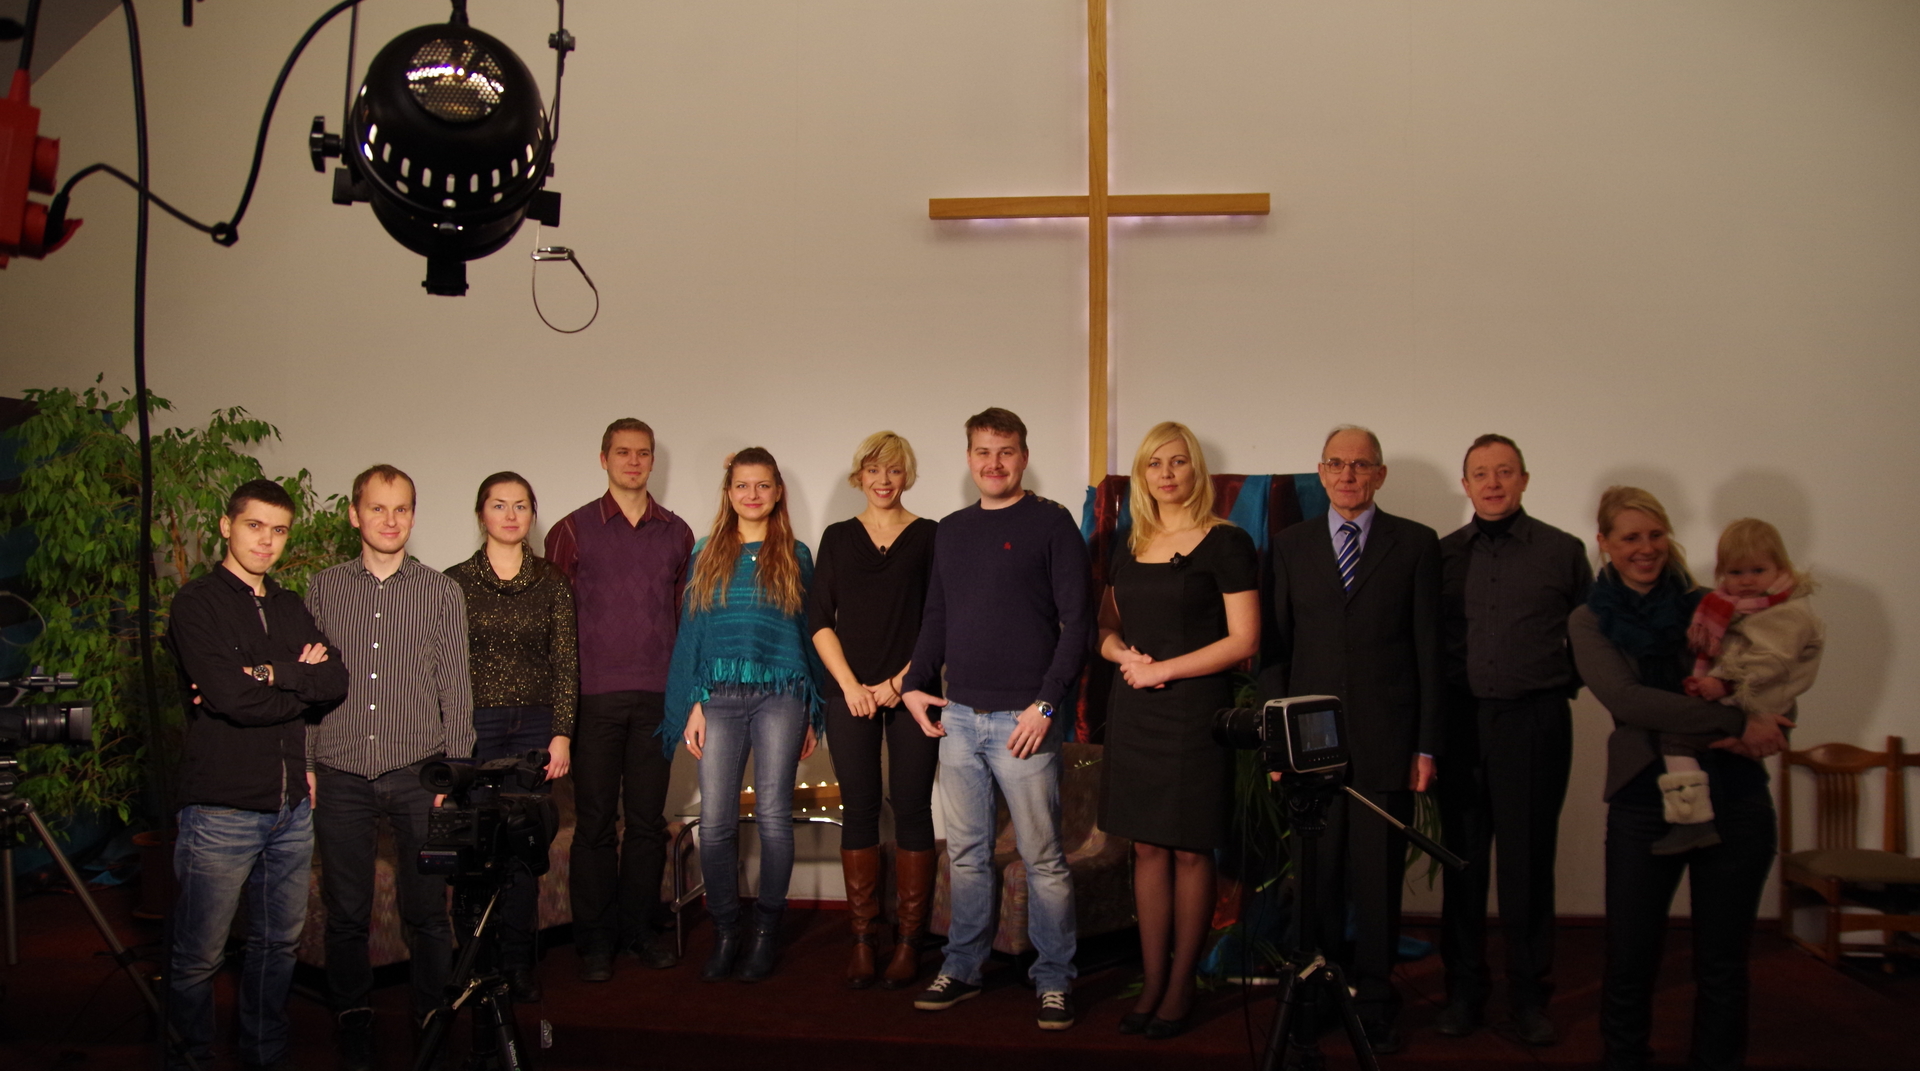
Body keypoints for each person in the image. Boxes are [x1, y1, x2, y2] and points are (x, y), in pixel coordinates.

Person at [1570, 486, 1788, 1071]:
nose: (1645, 548)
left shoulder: (1714, 604)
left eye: (1655, 535)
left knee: (1723, 962)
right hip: (1644, 800)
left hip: (1735, 795)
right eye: (1630, 538)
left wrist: (1766, 715)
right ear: (1605, 544)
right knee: (1630, 956)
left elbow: (1773, 679)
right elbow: (1630, 701)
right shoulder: (1589, 620)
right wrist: (1738, 720)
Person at [902, 407, 1091, 1032]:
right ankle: (962, 967)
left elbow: (1078, 622)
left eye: (1005, 451)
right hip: (958, 717)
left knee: (1043, 859)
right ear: (968, 458)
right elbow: (936, 616)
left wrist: (1047, 704)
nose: (994, 463)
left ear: (1024, 456)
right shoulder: (951, 531)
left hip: (1024, 719)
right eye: (983, 451)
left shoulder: (1052, 524)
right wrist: (914, 685)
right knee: (966, 855)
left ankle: (1054, 978)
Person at [1257, 424, 1441, 1054]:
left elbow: (1429, 653)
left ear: (1379, 475)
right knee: (1317, 882)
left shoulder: (1415, 544)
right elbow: (1274, 654)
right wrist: (1278, 747)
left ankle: (1378, 1002)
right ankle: (1316, 997)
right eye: (1336, 464)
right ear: (1321, 471)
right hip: (1310, 749)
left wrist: (1425, 746)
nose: (1347, 475)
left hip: (1388, 745)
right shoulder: (1290, 546)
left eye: (1361, 466)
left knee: (1377, 884)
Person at [164, 479, 348, 1071]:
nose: (267, 541)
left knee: (277, 946)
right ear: (226, 526)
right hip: (220, 809)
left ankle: (264, 1055)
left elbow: (335, 682)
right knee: (199, 955)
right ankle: (189, 1060)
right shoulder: (196, 604)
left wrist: (268, 673)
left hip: (291, 809)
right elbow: (230, 699)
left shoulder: (290, 605)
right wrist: (296, 679)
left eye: (279, 530)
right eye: (254, 526)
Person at [306, 464, 475, 1071]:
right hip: (341, 770)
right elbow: (307, 683)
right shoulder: (322, 589)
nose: (390, 520)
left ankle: (431, 1020)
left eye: (401, 508)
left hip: (416, 773)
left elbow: (456, 686)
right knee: (346, 913)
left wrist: (454, 772)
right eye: (377, 508)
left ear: (413, 516)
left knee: (428, 912)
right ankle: (353, 1018)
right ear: (355, 514)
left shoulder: (441, 592)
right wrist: (307, 761)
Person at [1095, 422, 1258, 1040]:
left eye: (1178, 462)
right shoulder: (1130, 541)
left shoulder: (1227, 542)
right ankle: (1153, 980)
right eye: (1154, 463)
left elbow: (1245, 639)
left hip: (1194, 711)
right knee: (1145, 848)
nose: (1166, 473)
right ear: (1143, 475)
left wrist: (1163, 669)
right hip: (1136, 710)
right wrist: (1123, 656)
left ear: (1196, 470)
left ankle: (1182, 983)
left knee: (1191, 850)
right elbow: (1105, 629)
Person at [1434, 434, 1592, 1046]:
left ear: (1524, 479)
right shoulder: (1441, 556)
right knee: (1463, 865)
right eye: (1481, 473)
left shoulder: (1562, 552)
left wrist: (1553, 686)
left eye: (1504, 472)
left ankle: (1529, 997)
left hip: (1534, 724)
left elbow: (1592, 639)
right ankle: (1463, 994)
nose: (1493, 483)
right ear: (1466, 485)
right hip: (1461, 725)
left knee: (1528, 866)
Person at [664, 447, 825, 983]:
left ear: (777, 492)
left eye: (762, 485)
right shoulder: (706, 551)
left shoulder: (796, 554)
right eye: (742, 485)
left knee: (775, 816)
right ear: (728, 492)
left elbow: (808, 631)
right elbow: (693, 631)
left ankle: (765, 932)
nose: (752, 495)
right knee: (715, 823)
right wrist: (693, 701)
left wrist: (813, 711)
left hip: (782, 696)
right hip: (719, 698)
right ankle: (727, 929)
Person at [545, 418, 695, 980]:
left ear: (652, 460)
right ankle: (594, 942)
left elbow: (685, 619)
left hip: (658, 698)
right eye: (623, 452)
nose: (634, 462)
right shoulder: (571, 530)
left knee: (648, 822)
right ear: (603, 458)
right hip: (593, 699)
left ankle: (639, 932)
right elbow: (557, 624)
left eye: (643, 453)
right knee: (595, 825)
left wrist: (688, 697)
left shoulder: (677, 533)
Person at [807, 431, 940, 989]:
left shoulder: (931, 535)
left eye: (894, 470)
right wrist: (851, 685)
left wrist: (898, 682)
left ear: (907, 475)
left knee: (911, 807)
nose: (883, 480)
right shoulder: (838, 537)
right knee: (859, 808)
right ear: (858, 476)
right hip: (849, 693)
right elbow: (819, 618)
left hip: (912, 691)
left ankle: (909, 942)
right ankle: (863, 938)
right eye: (873, 470)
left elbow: (940, 620)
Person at [443, 471, 580, 1003]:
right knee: (476, 846)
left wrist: (562, 734)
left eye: (520, 505)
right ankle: (478, 962)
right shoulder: (453, 582)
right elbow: (443, 667)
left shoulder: (551, 581)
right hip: (473, 727)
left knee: (522, 846)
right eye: (499, 505)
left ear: (532, 514)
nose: (510, 515)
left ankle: (520, 963)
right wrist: (447, 740)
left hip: (535, 727)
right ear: (481, 514)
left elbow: (565, 662)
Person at [1652, 518, 1824, 855]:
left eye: (1757, 570)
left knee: (1677, 738)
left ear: (1780, 568)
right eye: (1735, 572)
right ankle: (1696, 818)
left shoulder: (1786, 612)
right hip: (1751, 702)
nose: (1746, 581)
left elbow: (1770, 660)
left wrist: (1723, 682)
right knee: (1691, 739)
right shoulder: (1734, 606)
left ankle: (1692, 821)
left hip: (1761, 702)